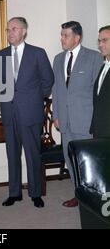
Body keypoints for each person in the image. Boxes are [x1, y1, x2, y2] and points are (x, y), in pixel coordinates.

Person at [0, 17, 54, 208]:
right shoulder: (0, 55)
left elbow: (48, 81)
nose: (9, 32)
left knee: (32, 154)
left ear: (24, 31)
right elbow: (1, 84)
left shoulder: (37, 53)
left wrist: (35, 99)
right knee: (12, 154)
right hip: (9, 113)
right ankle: (14, 193)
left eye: (13, 29)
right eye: (8, 29)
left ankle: (35, 193)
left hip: (31, 113)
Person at [52, 21, 103, 208]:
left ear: (77, 37)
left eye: (66, 35)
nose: (62, 39)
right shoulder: (58, 59)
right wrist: (56, 115)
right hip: (64, 122)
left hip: (85, 121)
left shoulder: (94, 57)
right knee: (70, 159)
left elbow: (99, 93)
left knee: (88, 162)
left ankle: (93, 198)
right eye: (61, 35)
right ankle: (79, 195)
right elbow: (56, 90)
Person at [90, 25, 110, 138]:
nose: (100, 45)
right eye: (99, 41)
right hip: (100, 130)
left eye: (105, 40)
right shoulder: (103, 66)